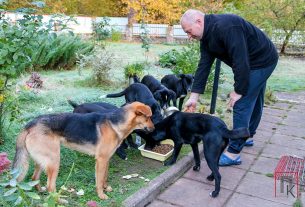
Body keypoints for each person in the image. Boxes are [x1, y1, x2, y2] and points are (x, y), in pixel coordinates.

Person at [181, 9, 278, 166]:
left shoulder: (227, 26)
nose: (189, 36)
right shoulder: (206, 38)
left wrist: (238, 90)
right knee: (255, 96)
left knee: (241, 102)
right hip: (250, 62)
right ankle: (249, 135)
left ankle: (234, 152)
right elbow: (203, 66)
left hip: (263, 60)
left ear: (198, 22)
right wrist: (193, 97)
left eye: (189, 31)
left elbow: (241, 60)